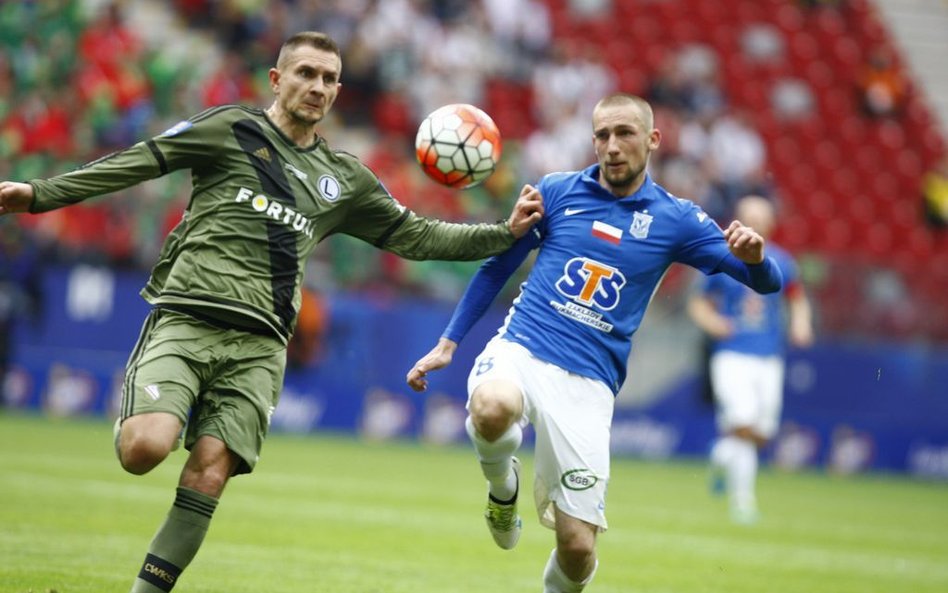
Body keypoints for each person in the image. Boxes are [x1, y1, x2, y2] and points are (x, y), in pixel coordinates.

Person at [0, 31, 543, 593]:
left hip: (260, 347)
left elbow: (418, 236)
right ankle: (140, 413)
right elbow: (137, 163)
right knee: (144, 450)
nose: (319, 87)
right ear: (277, 80)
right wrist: (40, 195)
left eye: (330, 79)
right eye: (306, 73)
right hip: (189, 317)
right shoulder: (228, 129)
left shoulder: (345, 180)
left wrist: (503, 233)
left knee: (210, 470)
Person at [406, 93, 783, 593]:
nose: (611, 146)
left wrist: (754, 258)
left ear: (652, 140)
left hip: (590, 384)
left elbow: (768, 281)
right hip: (524, 348)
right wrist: (449, 342)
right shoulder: (557, 191)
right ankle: (502, 491)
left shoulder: (676, 219)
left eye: (624, 133)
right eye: (602, 134)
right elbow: (498, 263)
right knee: (491, 406)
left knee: (579, 550)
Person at [686, 195, 814, 524]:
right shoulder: (722, 257)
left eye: (761, 215)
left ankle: (719, 457)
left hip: (768, 357)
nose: (755, 221)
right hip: (731, 355)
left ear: (771, 223)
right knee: (742, 425)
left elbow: (797, 299)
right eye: (748, 215)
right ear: (737, 219)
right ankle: (743, 502)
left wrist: (801, 323)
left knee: (761, 433)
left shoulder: (783, 262)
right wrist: (715, 324)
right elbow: (698, 304)